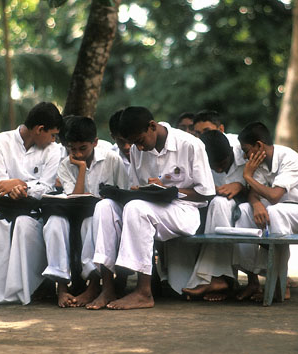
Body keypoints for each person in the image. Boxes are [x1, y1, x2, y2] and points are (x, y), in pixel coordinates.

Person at [85, 106, 215, 310]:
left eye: (139, 140)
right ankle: (108, 288)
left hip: (184, 211)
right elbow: (139, 189)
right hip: (150, 207)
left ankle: (144, 292)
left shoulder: (190, 145)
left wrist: (171, 190)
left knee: (137, 208)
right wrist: (135, 191)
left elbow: (206, 193)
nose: (138, 148)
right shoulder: (137, 150)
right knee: (105, 207)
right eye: (132, 143)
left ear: (152, 127)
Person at [0, 102, 63, 306]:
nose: (54, 140)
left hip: (33, 207)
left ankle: (23, 289)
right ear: (39, 129)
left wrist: (20, 185)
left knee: (24, 224)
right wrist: (13, 188)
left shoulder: (54, 150)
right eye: (52, 134)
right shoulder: (1, 140)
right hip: (2, 205)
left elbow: (46, 186)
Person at [234, 122, 298, 301]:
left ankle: (281, 283)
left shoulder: (288, 159)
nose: (245, 156)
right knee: (243, 210)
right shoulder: (260, 163)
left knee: (276, 211)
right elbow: (254, 195)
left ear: (259, 146)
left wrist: (247, 176)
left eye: (246, 150)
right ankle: (253, 279)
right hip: (285, 213)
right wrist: (256, 205)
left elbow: (274, 196)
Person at [42, 116, 129, 308]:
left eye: (83, 148)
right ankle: (62, 288)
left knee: (92, 220)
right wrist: (81, 168)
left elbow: (124, 194)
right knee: (54, 223)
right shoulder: (66, 164)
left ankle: (93, 285)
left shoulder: (112, 160)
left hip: (103, 218)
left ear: (95, 143)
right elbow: (76, 197)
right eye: (73, 149)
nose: (78, 154)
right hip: (74, 213)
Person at [182, 130, 248, 301]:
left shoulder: (245, 153)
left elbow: (263, 186)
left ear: (231, 152)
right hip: (208, 212)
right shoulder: (197, 159)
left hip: (245, 211)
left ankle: (216, 279)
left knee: (219, 204)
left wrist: (240, 186)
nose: (219, 169)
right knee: (217, 204)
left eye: (223, 163)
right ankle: (220, 279)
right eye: (214, 166)